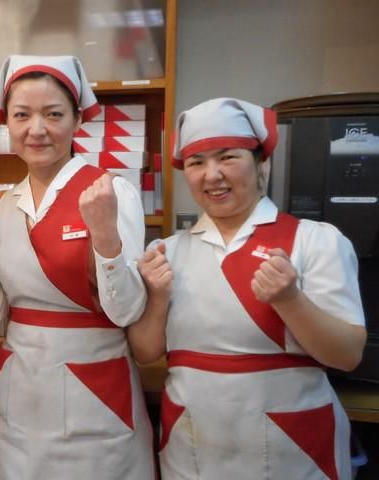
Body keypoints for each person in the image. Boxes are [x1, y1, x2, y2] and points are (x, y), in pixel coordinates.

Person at [128, 97, 367, 480]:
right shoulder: (167, 252)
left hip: (293, 446)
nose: (212, 175)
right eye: (196, 163)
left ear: (261, 164)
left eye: (227, 157)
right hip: (193, 444)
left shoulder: (315, 241)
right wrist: (157, 298)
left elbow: (347, 355)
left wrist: (290, 300)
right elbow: (144, 352)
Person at [0, 55, 155, 479]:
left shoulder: (111, 192)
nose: (37, 129)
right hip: (21, 386)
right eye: (22, 115)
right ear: (7, 123)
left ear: (78, 119)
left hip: (95, 390)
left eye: (54, 114)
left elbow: (127, 312)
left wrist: (105, 235)